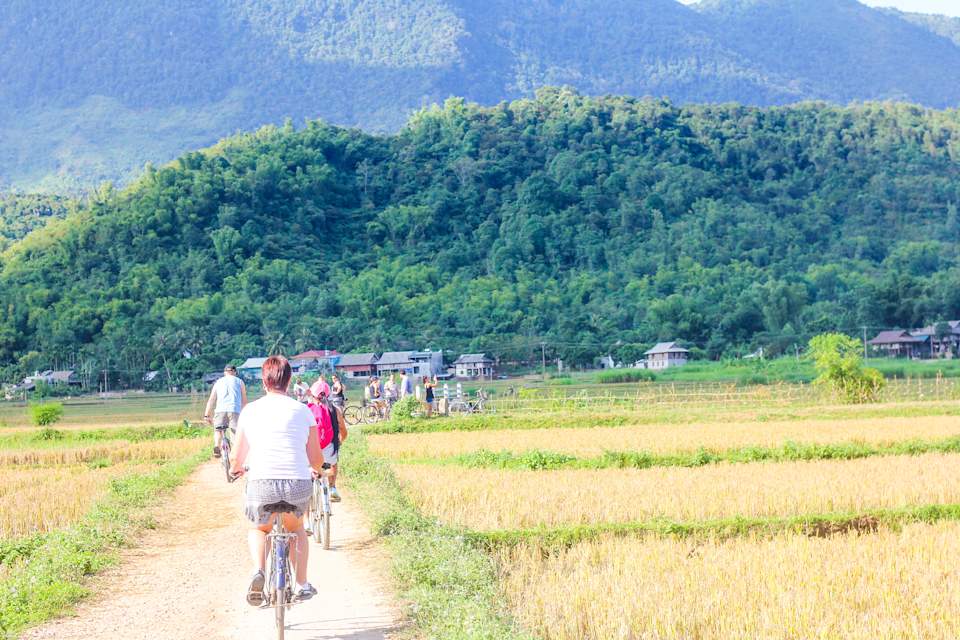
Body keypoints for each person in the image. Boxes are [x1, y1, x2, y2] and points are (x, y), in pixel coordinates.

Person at [230, 355, 322, 605]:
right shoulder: (303, 411)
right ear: (289, 381)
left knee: (259, 528)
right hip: (297, 484)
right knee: (296, 528)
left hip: (261, 484)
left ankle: (258, 571)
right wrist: (314, 468)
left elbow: (236, 459)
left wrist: (237, 470)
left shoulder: (250, 411)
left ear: (264, 381)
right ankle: (301, 584)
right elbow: (316, 459)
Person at [305, 385, 348, 503]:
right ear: (328, 395)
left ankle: (308, 491)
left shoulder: (307, 410)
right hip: (328, 451)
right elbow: (344, 432)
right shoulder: (334, 410)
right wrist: (339, 443)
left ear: (313, 395)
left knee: (307, 467)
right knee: (333, 461)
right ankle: (332, 487)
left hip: (311, 452)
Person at [203, 364, 247, 458]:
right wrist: (245, 413)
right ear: (235, 372)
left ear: (224, 372)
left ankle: (217, 446)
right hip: (234, 410)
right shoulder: (240, 382)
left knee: (218, 430)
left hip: (220, 410)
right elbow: (244, 401)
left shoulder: (218, 382)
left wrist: (206, 415)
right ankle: (235, 455)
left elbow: (211, 399)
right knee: (235, 433)